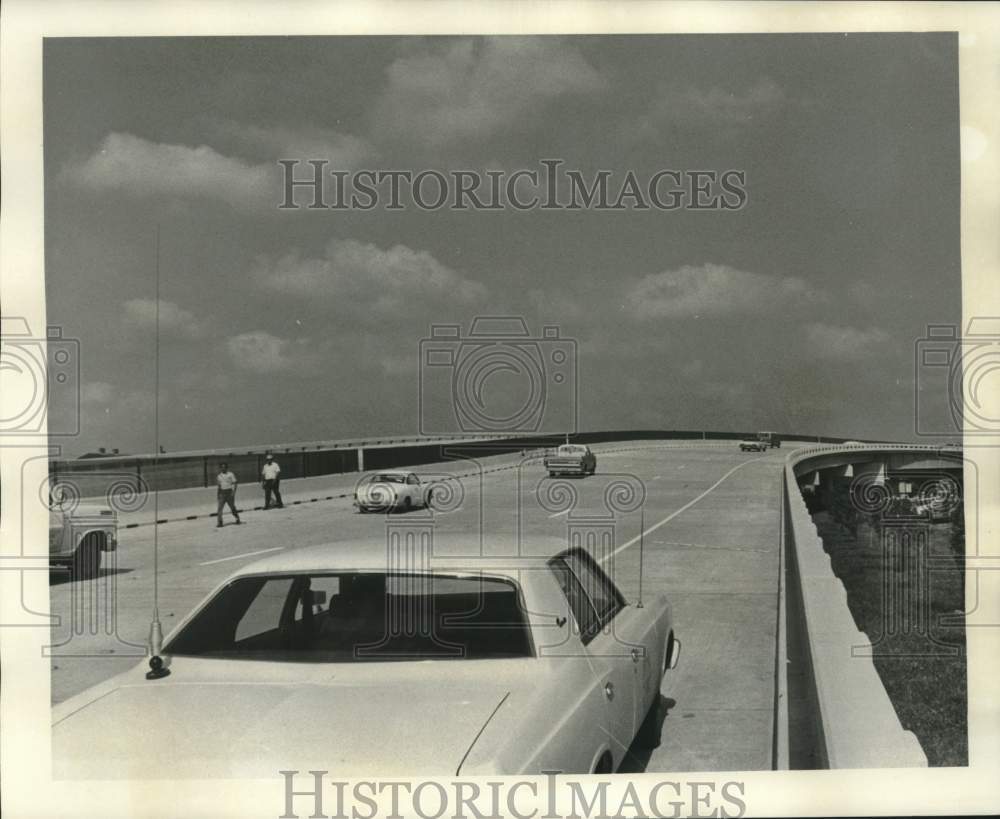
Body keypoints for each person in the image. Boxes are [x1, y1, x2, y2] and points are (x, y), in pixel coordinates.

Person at [216, 462, 241, 527]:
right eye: (222, 467)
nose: (223, 468)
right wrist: (218, 495)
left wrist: (233, 492)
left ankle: (237, 518)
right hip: (222, 493)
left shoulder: (230, 474)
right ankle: (220, 522)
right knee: (219, 508)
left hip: (229, 493)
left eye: (224, 467)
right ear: (220, 468)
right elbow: (219, 486)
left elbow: (235, 483)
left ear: (226, 468)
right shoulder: (219, 476)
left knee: (232, 507)